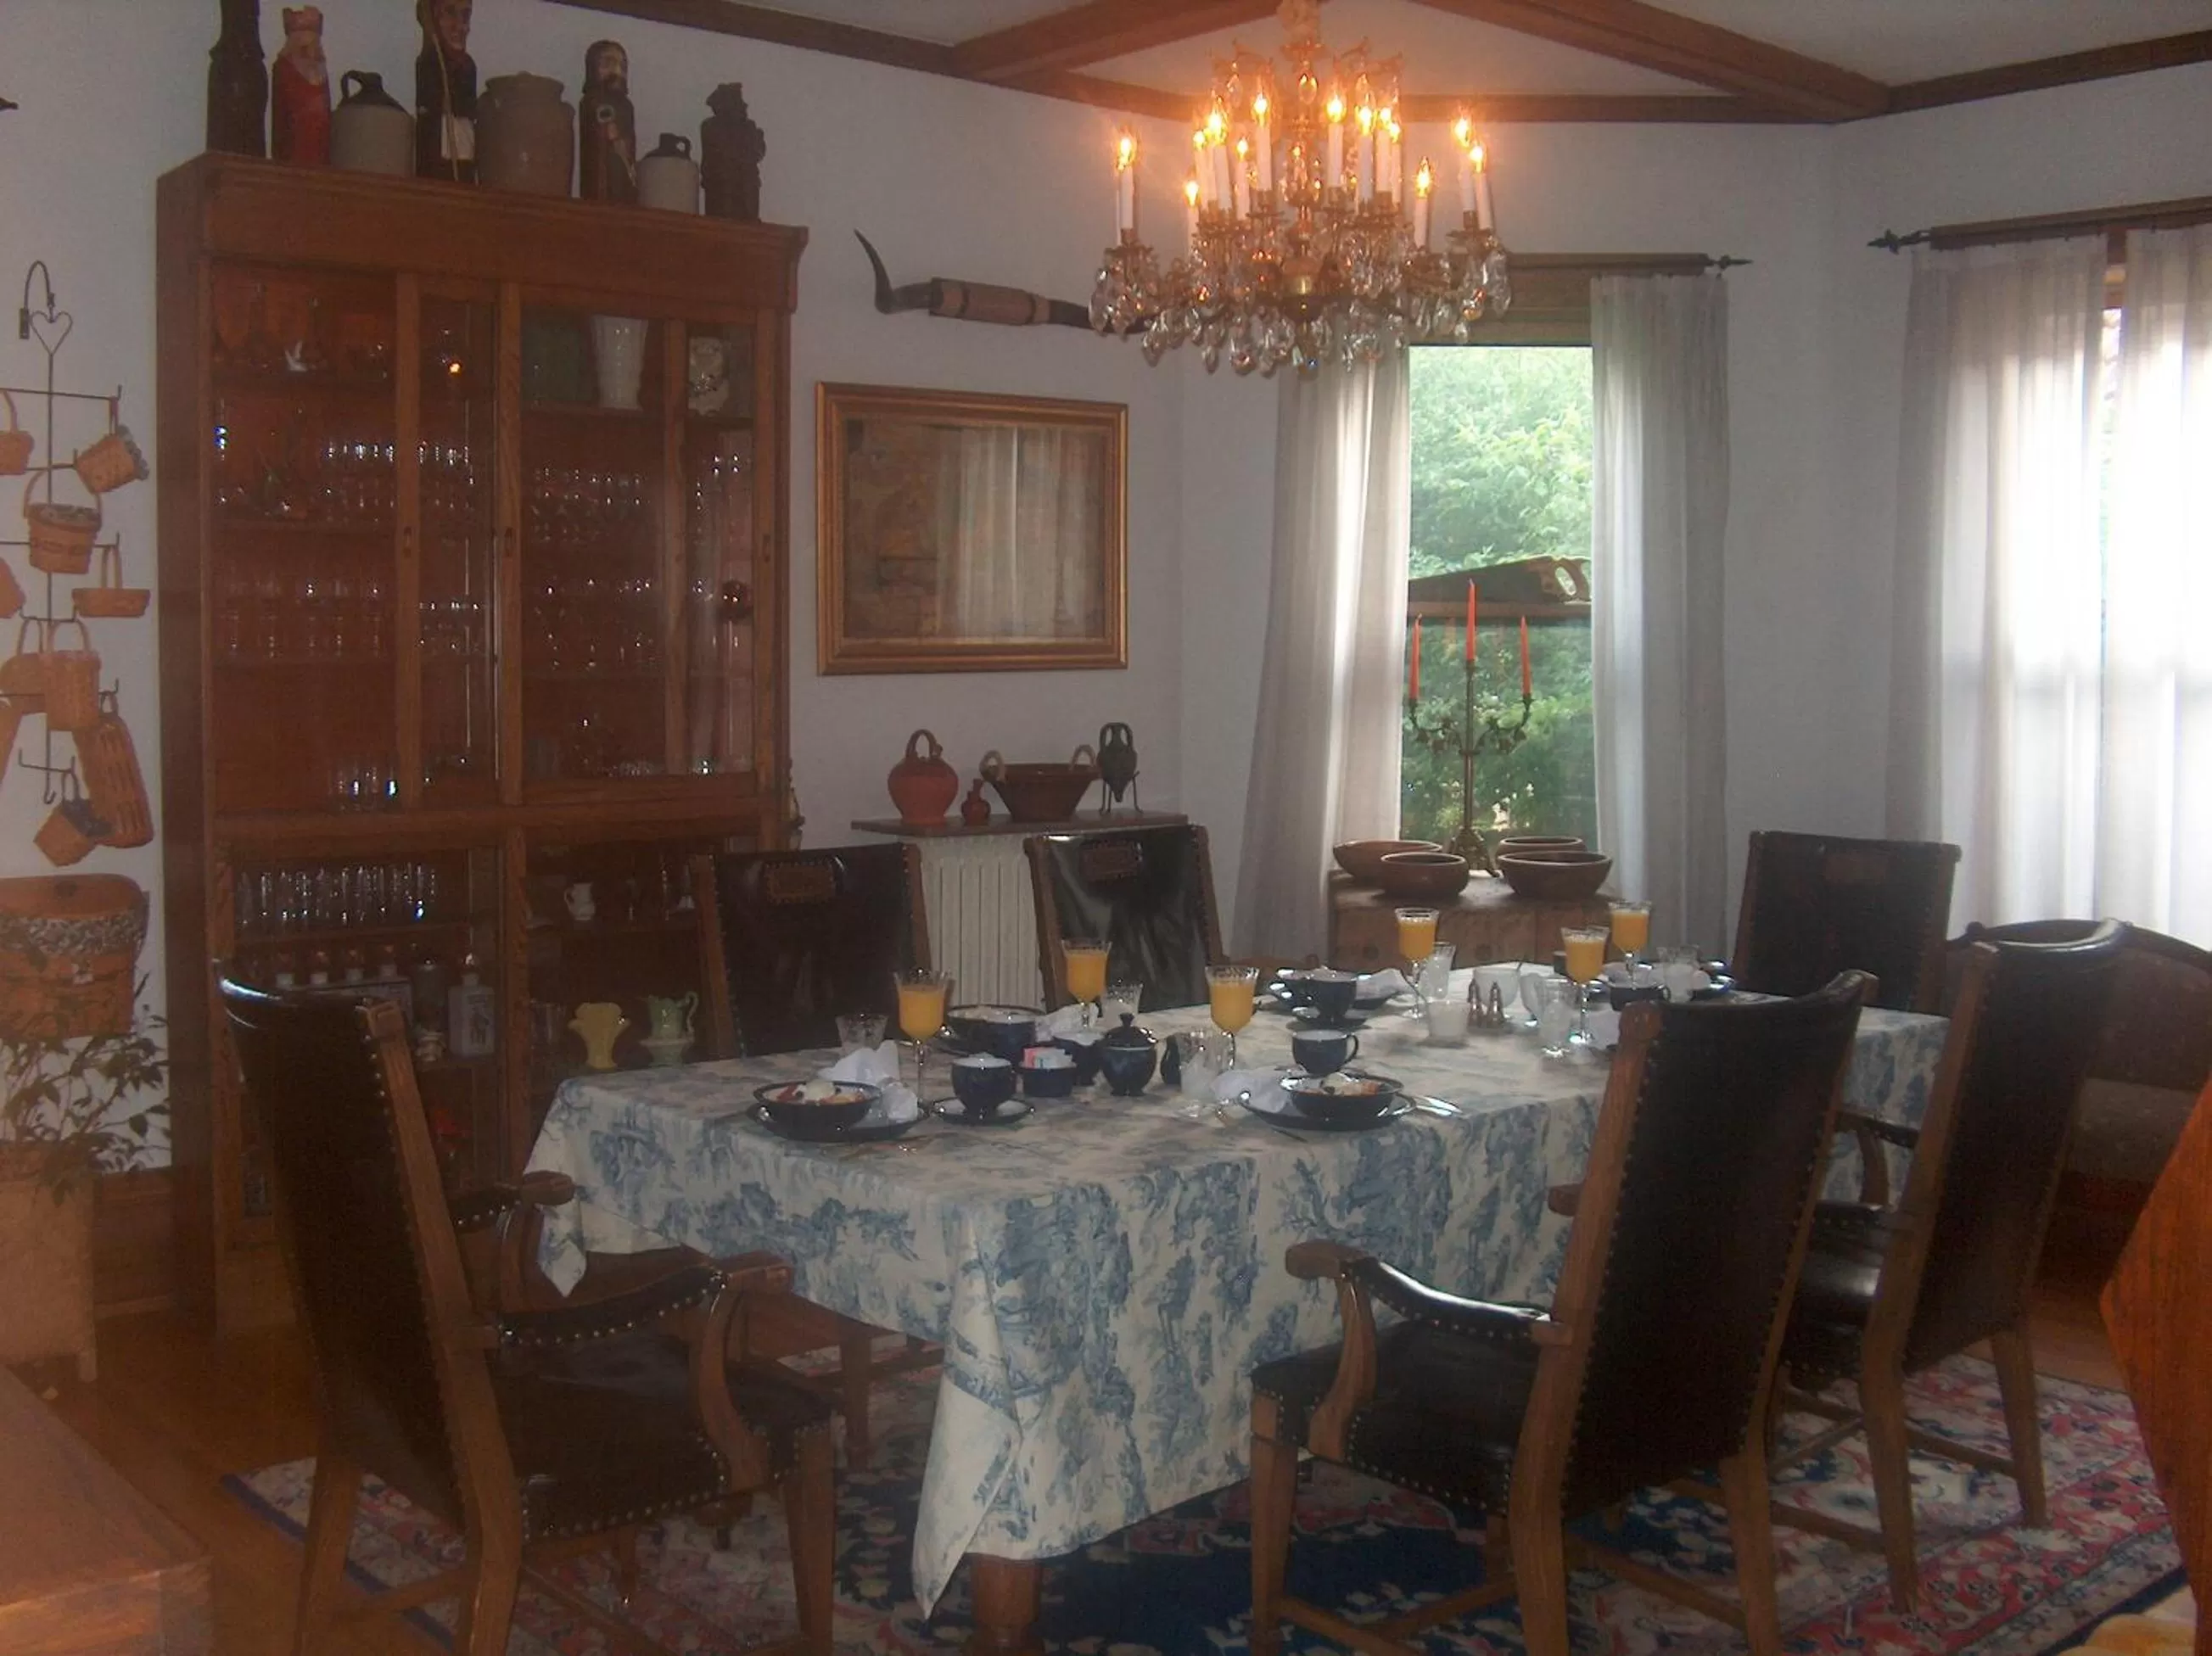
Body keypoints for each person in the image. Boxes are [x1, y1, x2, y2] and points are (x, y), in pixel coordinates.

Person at [414, 0, 476, 182]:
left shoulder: (468, 67)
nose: (460, 25)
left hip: (464, 168)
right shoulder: (428, 63)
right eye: (450, 13)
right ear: (432, 19)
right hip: (436, 170)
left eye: (465, 16)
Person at [579, 39, 637, 202]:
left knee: (623, 182)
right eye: (608, 63)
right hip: (601, 167)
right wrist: (607, 132)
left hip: (622, 161)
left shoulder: (626, 106)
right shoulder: (592, 101)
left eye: (622, 66)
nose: (617, 71)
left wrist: (622, 141)